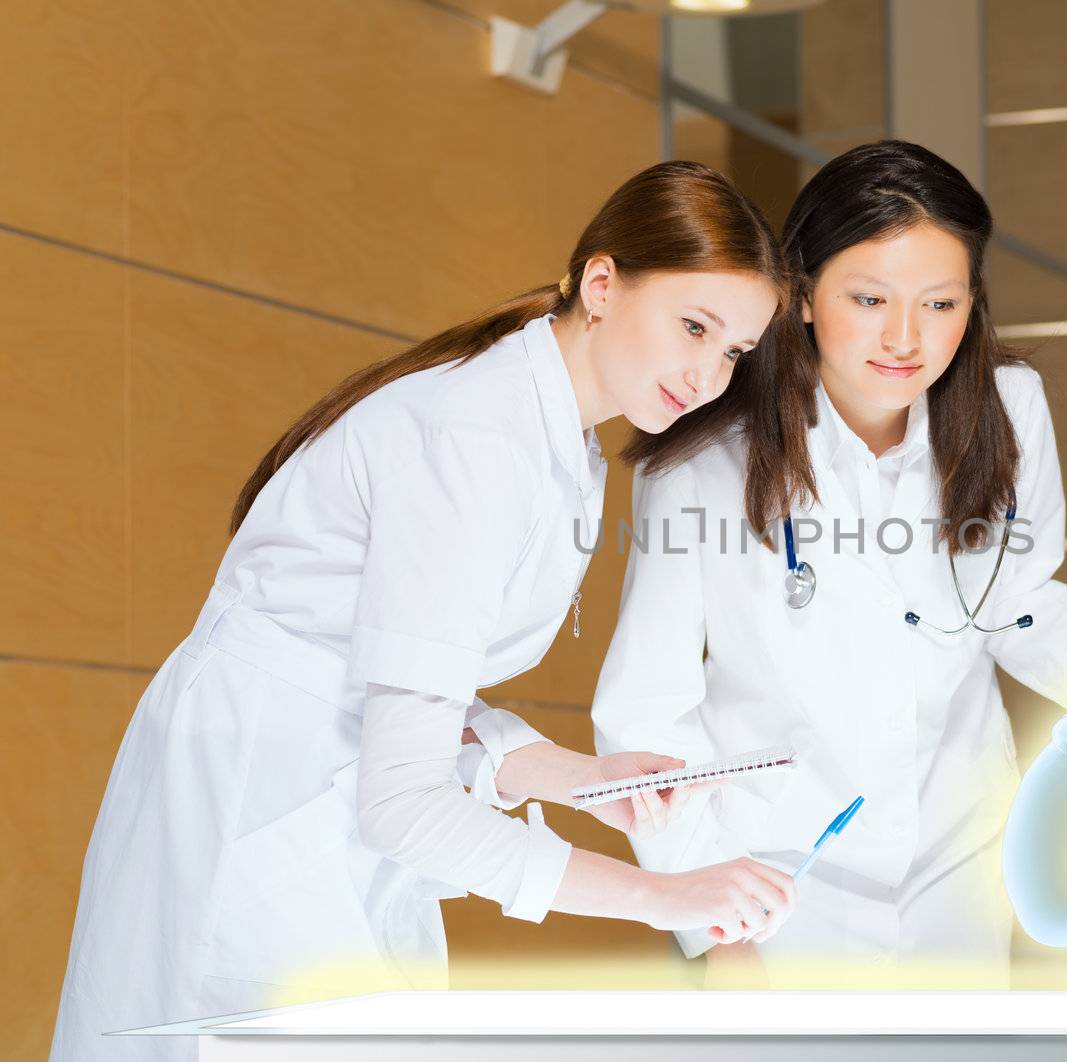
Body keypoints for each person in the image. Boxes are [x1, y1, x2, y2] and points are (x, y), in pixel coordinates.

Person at [52, 160, 797, 1061]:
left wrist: (572, 777)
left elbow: (408, 687)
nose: (708, 372)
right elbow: (402, 802)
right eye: (694, 325)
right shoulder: (481, 440)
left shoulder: (552, 434)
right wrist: (670, 898)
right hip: (259, 802)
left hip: (310, 800)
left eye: (733, 351)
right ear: (602, 284)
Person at [592, 141, 1067, 988]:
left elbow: (1010, 593)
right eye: (868, 299)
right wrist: (712, 917)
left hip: (959, 856)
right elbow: (648, 713)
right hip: (775, 872)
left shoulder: (1009, 411)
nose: (906, 338)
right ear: (800, 298)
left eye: (940, 303)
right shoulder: (701, 462)